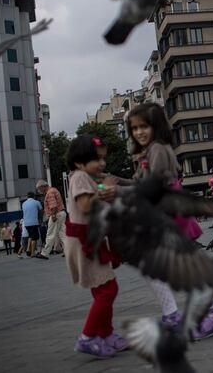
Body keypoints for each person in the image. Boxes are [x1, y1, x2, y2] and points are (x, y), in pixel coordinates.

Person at [125, 103, 213, 339]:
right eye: (135, 128)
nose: (139, 132)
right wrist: (116, 182)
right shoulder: (151, 150)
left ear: (156, 126)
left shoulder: (158, 150)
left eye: (144, 126)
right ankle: (186, 315)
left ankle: (202, 316)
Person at [64, 135, 126, 358]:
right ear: (80, 162)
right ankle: (88, 337)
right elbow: (86, 205)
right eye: (96, 160)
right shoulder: (79, 177)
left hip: (92, 240)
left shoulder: (87, 176)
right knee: (107, 290)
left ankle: (105, 335)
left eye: (103, 159)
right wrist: (105, 189)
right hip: (85, 243)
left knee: (103, 290)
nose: (102, 164)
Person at [38, 179, 67, 259]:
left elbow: (53, 205)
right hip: (61, 213)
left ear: (43, 186)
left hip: (56, 214)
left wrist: (53, 215)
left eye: (39, 189)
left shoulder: (49, 193)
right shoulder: (54, 190)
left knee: (50, 234)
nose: (39, 191)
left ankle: (44, 253)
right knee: (62, 234)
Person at [21, 190, 42, 257]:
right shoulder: (36, 202)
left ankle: (28, 249)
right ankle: (33, 253)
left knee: (30, 236)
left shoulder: (23, 203)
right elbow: (41, 211)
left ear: (27, 196)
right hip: (34, 222)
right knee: (34, 238)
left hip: (26, 223)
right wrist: (40, 220)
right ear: (34, 196)